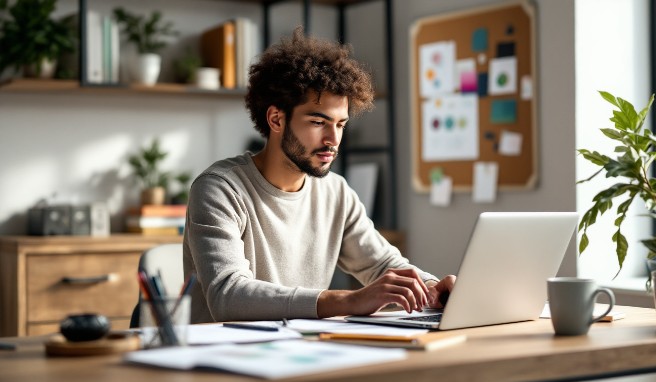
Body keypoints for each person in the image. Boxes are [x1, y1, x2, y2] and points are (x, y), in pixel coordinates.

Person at [183, 26, 456, 323]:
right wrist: (350, 300)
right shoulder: (219, 189)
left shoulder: (336, 193)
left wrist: (430, 288)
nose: (333, 139)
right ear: (276, 119)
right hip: (224, 357)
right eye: (318, 122)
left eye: (340, 124)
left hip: (304, 352)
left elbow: (382, 265)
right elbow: (229, 297)